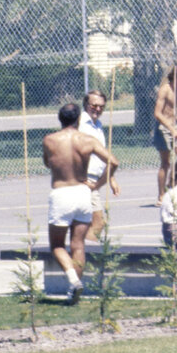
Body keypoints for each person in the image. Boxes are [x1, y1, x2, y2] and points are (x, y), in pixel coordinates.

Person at [41, 101, 99, 302]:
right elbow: (113, 161)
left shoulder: (49, 140)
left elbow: (48, 162)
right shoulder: (87, 139)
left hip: (62, 193)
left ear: (60, 118)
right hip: (83, 192)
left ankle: (74, 280)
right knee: (78, 245)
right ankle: (74, 294)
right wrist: (99, 183)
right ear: (78, 119)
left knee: (57, 245)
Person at [80, 89, 122, 243]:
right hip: (85, 181)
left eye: (101, 106)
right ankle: (87, 256)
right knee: (97, 223)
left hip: (95, 179)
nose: (98, 109)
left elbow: (103, 154)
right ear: (86, 104)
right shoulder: (80, 124)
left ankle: (82, 252)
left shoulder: (98, 125)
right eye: (94, 105)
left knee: (87, 225)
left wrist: (111, 178)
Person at [152, 66, 177, 198]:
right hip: (163, 128)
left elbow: (172, 109)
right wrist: (170, 129)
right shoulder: (165, 90)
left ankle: (172, 186)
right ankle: (161, 195)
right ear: (175, 77)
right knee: (165, 163)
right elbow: (157, 114)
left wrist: (176, 124)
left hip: (174, 126)